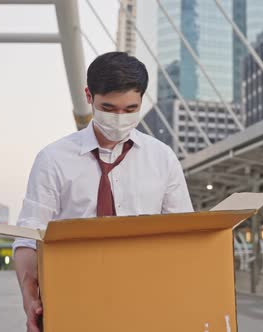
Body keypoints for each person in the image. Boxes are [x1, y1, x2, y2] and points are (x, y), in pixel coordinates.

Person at [12, 52, 194, 332]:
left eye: (131, 109)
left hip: (146, 302)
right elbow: (29, 235)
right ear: (89, 96)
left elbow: (185, 235)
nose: (120, 118)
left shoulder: (163, 158)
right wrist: (29, 295)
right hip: (72, 299)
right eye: (109, 108)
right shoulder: (53, 159)